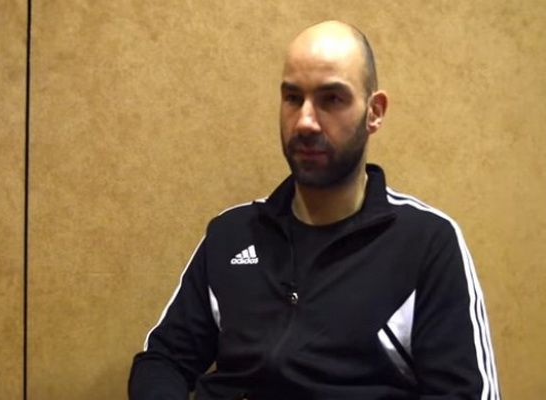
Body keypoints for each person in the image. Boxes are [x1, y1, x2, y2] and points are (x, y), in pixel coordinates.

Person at [128, 20, 500, 400]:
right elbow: (163, 360)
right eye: (293, 98)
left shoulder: (426, 244)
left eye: (331, 99)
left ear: (374, 112)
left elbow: (465, 393)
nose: (305, 122)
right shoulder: (232, 234)